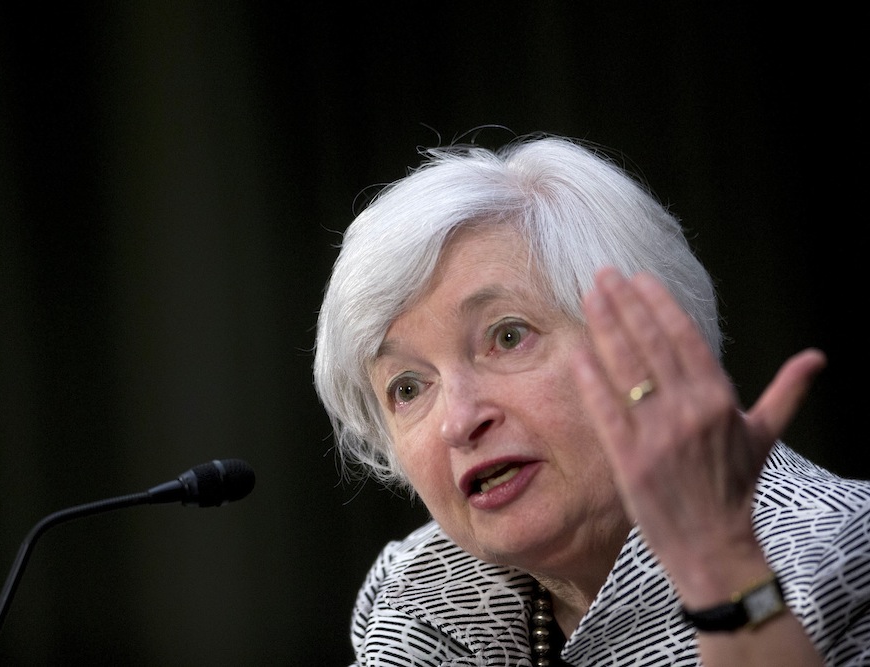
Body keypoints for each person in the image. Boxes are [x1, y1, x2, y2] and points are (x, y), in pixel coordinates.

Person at [312, 134, 870, 666]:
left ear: (646, 340)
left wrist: (724, 571)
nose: (459, 421)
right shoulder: (422, 592)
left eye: (508, 336)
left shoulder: (843, 551)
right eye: (407, 387)